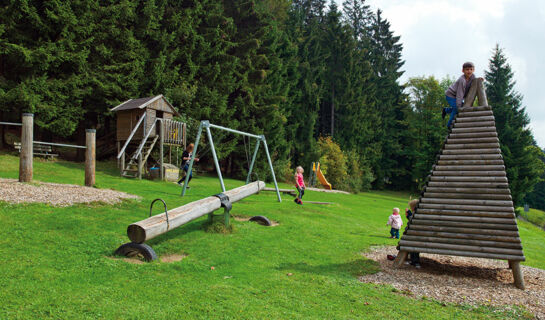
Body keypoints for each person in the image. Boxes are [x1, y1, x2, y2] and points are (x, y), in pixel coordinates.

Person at [442, 61, 480, 128]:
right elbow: (460, 94)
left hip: (458, 96)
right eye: (467, 69)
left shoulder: (473, 77)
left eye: (471, 69)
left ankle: (446, 110)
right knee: (457, 108)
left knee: (459, 107)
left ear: (473, 70)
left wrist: (479, 79)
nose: (469, 71)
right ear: (463, 71)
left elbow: (475, 81)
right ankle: (449, 125)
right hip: (451, 95)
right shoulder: (462, 80)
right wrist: (459, 106)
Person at [405, 199, 421, 268]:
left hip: (415, 235)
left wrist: (408, 215)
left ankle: (415, 262)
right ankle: (414, 262)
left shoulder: (416, 213)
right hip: (419, 236)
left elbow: (412, 220)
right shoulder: (419, 212)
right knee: (415, 250)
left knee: (413, 249)